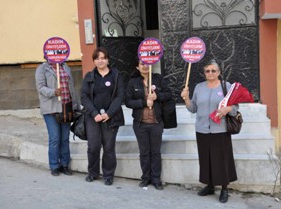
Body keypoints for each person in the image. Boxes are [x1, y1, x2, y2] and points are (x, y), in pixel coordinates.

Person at [180, 59, 238, 203]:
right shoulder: (199, 87)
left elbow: (235, 107)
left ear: (218, 72)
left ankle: (224, 188)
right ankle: (210, 185)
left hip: (221, 130)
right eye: (208, 71)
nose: (210, 73)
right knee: (206, 159)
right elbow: (193, 108)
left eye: (213, 71)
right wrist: (186, 99)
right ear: (204, 73)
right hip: (202, 129)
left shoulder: (226, 86)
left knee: (222, 160)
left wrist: (227, 109)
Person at [125, 58, 172, 190]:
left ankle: (156, 179)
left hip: (156, 123)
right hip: (140, 124)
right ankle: (146, 178)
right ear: (137, 67)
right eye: (141, 64)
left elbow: (168, 94)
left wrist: (158, 97)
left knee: (155, 152)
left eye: (147, 64)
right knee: (144, 152)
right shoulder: (133, 82)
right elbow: (128, 101)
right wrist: (144, 103)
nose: (145, 66)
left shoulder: (158, 79)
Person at [81, 47, 124, 185]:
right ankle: (93, 173)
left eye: (103, 58)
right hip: (93, 118)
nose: (100, 61)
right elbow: (84, 97)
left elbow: (119, 96)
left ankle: (108, 175)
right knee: (93, 147)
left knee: (109, 148)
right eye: (97, 58)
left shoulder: (116, 75)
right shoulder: (89, 76)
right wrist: (94, 114)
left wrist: (109, 113)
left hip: (111, 117)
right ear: (94, 60)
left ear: (107, 59)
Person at [35, 60, 79, 176]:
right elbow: (41, 88)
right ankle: (54, 165)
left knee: (65, 138)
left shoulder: (65, 66)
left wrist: (76, 105)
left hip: (66, 107)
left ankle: (65, 165)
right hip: (51, 109)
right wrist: (53, 92)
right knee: (55, 138)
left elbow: (71, 87)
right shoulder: (42, 68)